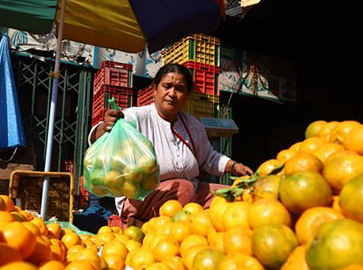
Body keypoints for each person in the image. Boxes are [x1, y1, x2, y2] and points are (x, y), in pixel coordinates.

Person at [90, 63, 254, 225]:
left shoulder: (193, 125)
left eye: (180, 89)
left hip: (190, 191)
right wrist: (106, 127)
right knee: (184, 190)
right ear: (155, 89)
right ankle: (142, 225)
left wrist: (234, 166)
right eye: (167, 86)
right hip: (141, 196)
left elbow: (209, 157)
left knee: (231, 197)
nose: (172, 94)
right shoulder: (135, 117)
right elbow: (98, 138)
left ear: (187, 95)